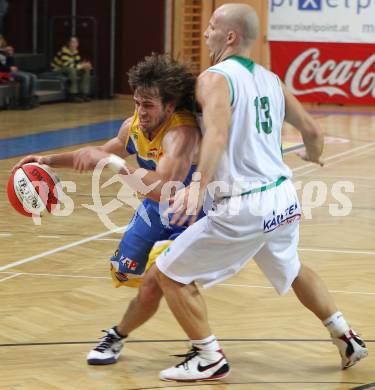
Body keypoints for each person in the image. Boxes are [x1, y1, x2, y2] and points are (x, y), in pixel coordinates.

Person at [146, 3, 369, 382]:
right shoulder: (271, 79)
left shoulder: (214, 78)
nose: (205, 32)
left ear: (230, 36)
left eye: (212, 26)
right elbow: (313, 133)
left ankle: (209, 357)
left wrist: (198, 185)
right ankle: (345, 336)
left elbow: (216, 132)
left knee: (168, 275)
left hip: (243, 205)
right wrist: (313, 157)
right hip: (282, 197)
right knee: (293, 266)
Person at [15, 53, 202, 365]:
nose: (141, 111)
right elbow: (97, 153)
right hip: (155, 210)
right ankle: (139, 336)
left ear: (169, 107)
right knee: (127, 271)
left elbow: (164, 190)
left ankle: (190, 345)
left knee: (160, 283)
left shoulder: (181, 133)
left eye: (148, 105)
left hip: (188, 212)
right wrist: (47, 160)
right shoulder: (133, 126)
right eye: (137, 102)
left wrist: (115, 166)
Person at [0, 34, 38, 109]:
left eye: (0, 40)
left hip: (8, 71)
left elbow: (11, 64)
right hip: (3, 73)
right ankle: (23, 101)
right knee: (25, 77)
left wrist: (10, 55)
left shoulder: (4, 51)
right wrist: (9, 68)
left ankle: (30, 99)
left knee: (33, 76)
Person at [51, 36, 92, 102]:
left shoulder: (75, 51)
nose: (75, 44)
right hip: (58, 69)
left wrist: (85, 65)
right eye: (73, 42)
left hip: (68, 68)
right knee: (72, 70)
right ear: (69, 44)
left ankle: (83, 93)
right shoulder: (64, 50)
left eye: (76, 42)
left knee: (85, 70)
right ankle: (73, 94)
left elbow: (78, 63)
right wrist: (81, 66)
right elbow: (66, 64)